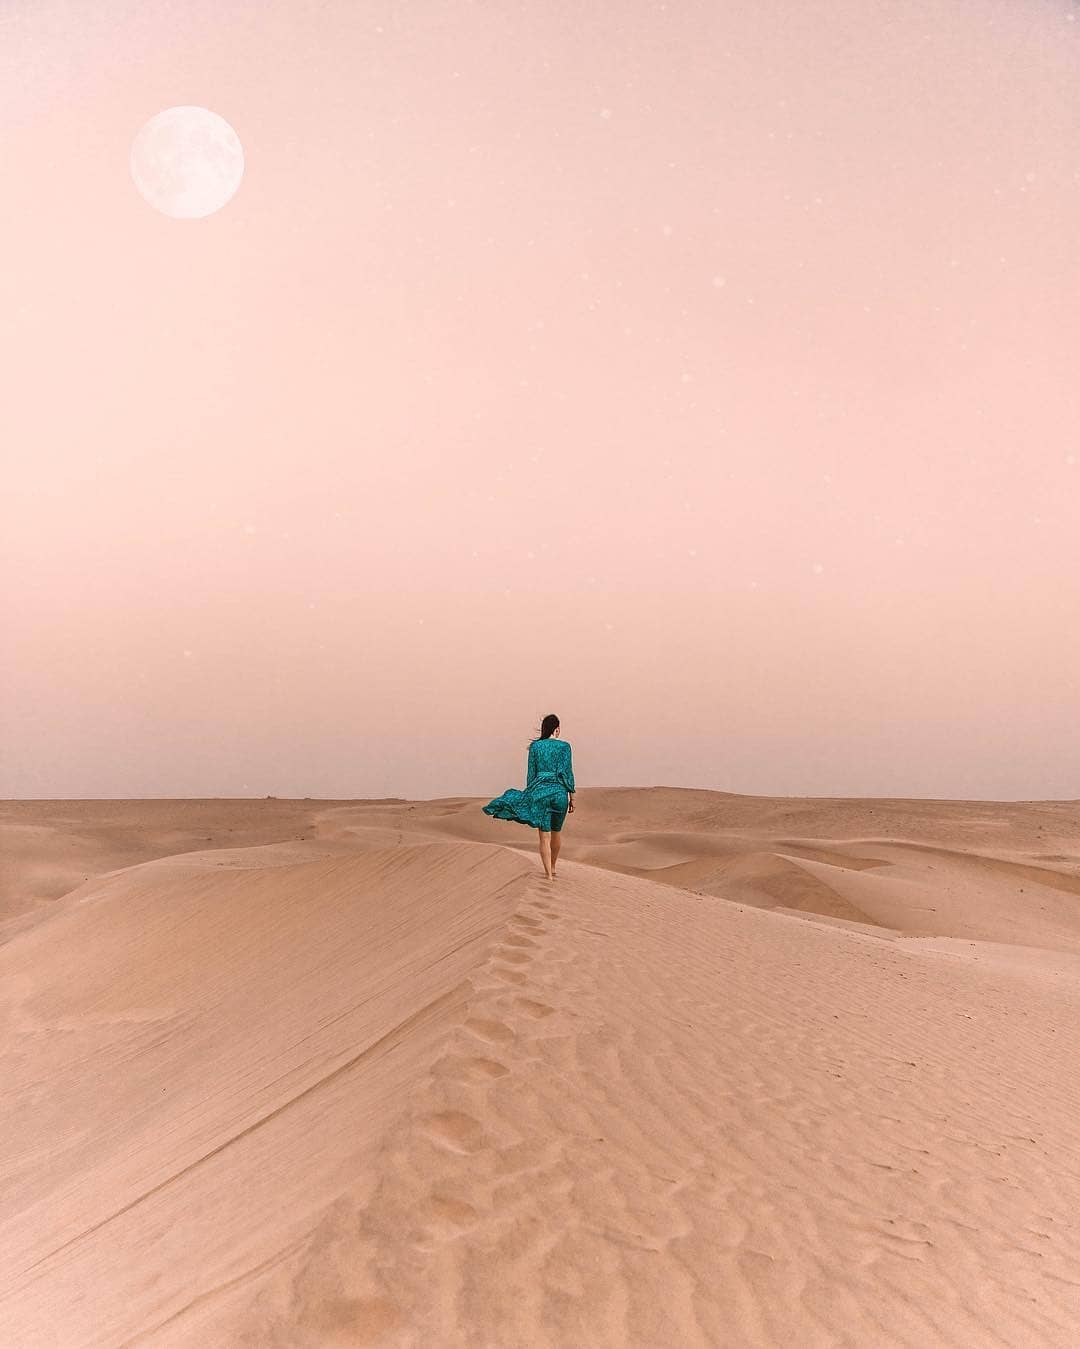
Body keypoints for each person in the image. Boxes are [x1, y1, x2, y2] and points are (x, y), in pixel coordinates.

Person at [482, 713, 576, 880]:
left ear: (544, 729)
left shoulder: (535, 748)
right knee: (556, 832)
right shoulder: (565, 747)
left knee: (544, 836)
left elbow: (531, 775)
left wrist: (529, 795)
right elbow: (567, 773)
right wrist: (572, 798)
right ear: (557, 729)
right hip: (560, 794)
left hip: (540, 793)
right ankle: (553, 867)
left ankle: (548, 875)